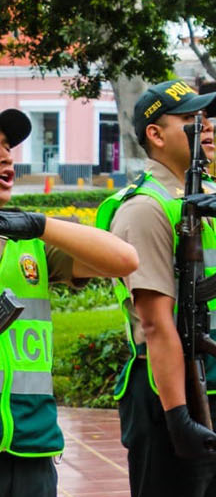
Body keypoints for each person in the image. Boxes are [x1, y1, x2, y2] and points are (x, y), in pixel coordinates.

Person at [95, 80, 216, 497]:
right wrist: (178, 415)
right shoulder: (145, 208)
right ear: (155, 134)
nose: (207, 127)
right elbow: (155, 324)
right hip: (173, 395)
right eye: (189, 119)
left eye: (207, 118)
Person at [0, 109, 139, 497]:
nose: (7, 157)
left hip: (32, 446)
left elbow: (124, 259)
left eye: (8, 147)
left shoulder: (30, 245)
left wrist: (39, 224)